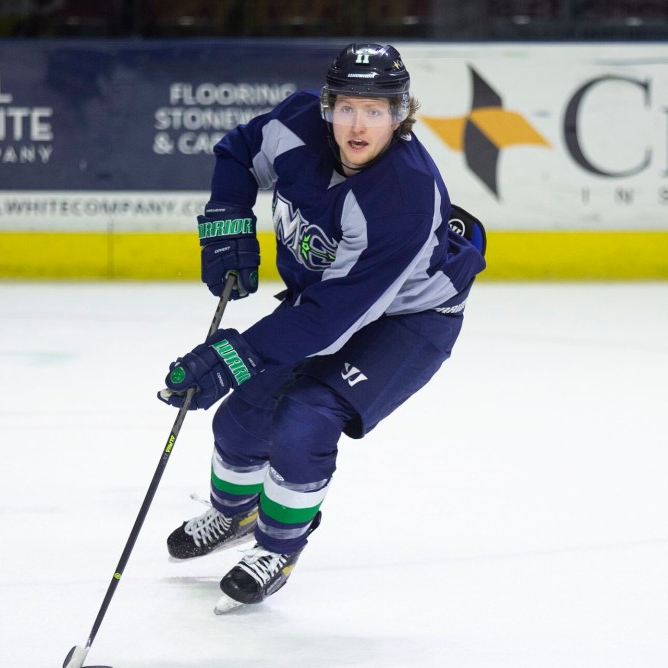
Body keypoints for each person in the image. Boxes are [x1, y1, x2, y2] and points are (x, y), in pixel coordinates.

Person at [158, 43, 487, 611]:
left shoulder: (405, 195)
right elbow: (238, 152)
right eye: (347, 108)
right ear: (328, 106)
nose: (358, 125)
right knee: (243, 415)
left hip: (409, 320)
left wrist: (233, 355)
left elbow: (333, 321)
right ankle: (234, 512)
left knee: (306, 416)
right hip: (328, 303)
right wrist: (228, 223)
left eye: (377, 111)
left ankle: (278, 548)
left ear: (401, 115)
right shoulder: (297, 121)